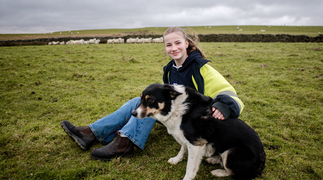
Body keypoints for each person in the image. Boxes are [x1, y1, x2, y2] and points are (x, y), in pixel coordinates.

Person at [60, 26, 244, 161]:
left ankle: (125, 143)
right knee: (138, 102)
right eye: (168, 44)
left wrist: (224, 105)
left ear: (187, 44)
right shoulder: (169, 69)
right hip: (176, 119)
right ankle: (90, 133)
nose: (174, 48)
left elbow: (228, 91)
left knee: (150, 108)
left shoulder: (201, 68)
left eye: (178, 43)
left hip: (193, 126)